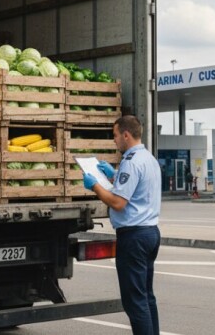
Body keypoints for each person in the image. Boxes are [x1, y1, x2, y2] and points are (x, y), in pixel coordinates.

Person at [84, 115, 162, 335]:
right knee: (146, 295)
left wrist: (96, 186)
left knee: (134, 301)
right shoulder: (148, 159)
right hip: (150, 232)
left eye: (115, 136)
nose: (114, 140)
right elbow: (138, 187)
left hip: (134, 236)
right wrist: (115, 174)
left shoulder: (131, 161)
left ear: (126, 135)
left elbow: (118, 202)